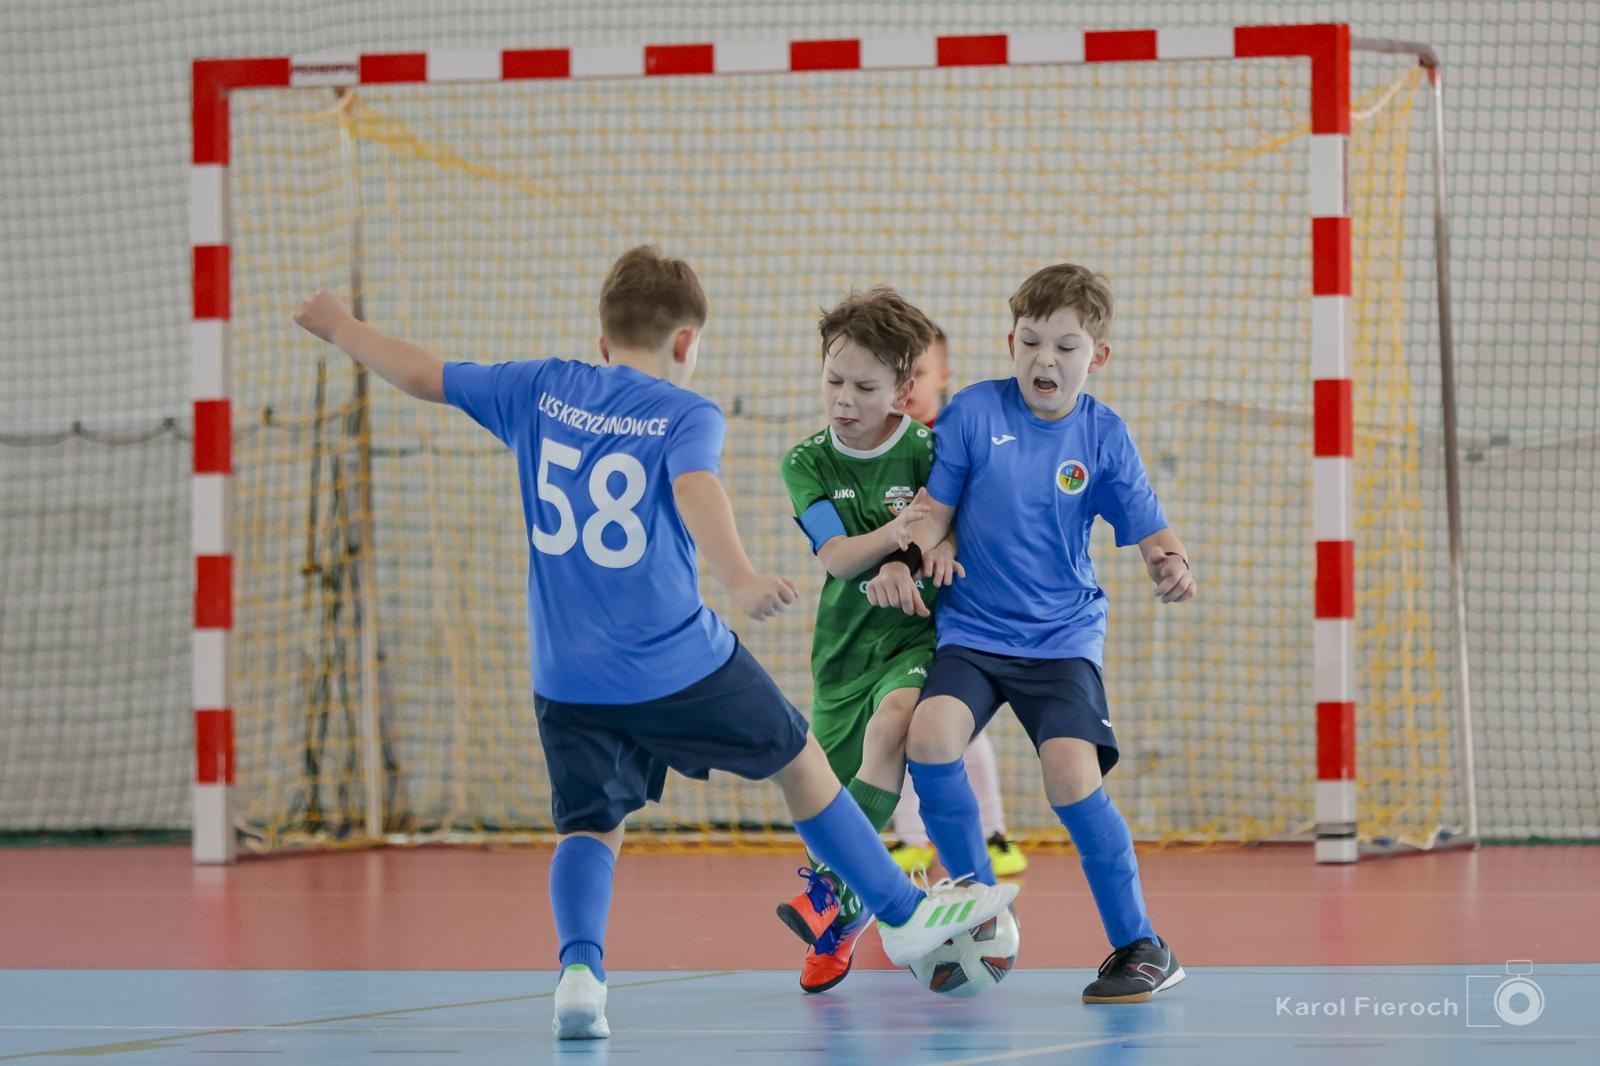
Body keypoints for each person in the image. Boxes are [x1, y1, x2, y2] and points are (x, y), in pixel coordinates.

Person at [292, 247, 1017, 1039]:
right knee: (799, 762)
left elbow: (425, 373)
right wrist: (739, 578)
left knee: (590, 828)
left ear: (603, 340)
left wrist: (341, 326)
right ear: (685, 343)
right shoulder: (686, 413)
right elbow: (695, 485)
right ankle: (903, 911)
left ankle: (579, 976)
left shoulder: (537, 388)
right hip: (678, 661)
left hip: (565, 678)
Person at [869, 263, 1194, 1003]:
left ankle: (1141, 944)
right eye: (1031, 341)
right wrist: (909, 554)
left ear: (1097, 357)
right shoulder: (974, 414)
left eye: (1066, 346)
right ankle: (973, 906)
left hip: (1060, 640)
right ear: (1008, 340)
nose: (1045, 359)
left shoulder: (1104, 435)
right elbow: (933, 510)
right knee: (930, 737)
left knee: (1073, 778)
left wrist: (1171, 564)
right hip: (974, 634)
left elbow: (1151, 529)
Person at [775, 287, 961, 993]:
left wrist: (925, 546)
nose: (843, 399)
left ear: (904, 390)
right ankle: (841, 920)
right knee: (823, 800)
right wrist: (896, 539)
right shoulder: (806, 462)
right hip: (840, 653)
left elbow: (950, 520)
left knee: (893, 729)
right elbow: (836, 558)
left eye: (864, 386)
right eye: (833, 381)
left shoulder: (929, 451)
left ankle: (829, 892)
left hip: (912, 640)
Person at [885, 328, 1028, 880]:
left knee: (963, 724)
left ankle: (991, 832)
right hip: (900, 602)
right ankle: (910, 837)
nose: (906, 387)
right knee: (897, 715)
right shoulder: (885, 445)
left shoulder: (959, 435)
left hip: (959, 601)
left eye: (917, 374)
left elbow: (977, 511)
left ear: (943, 376)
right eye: (896, 377)